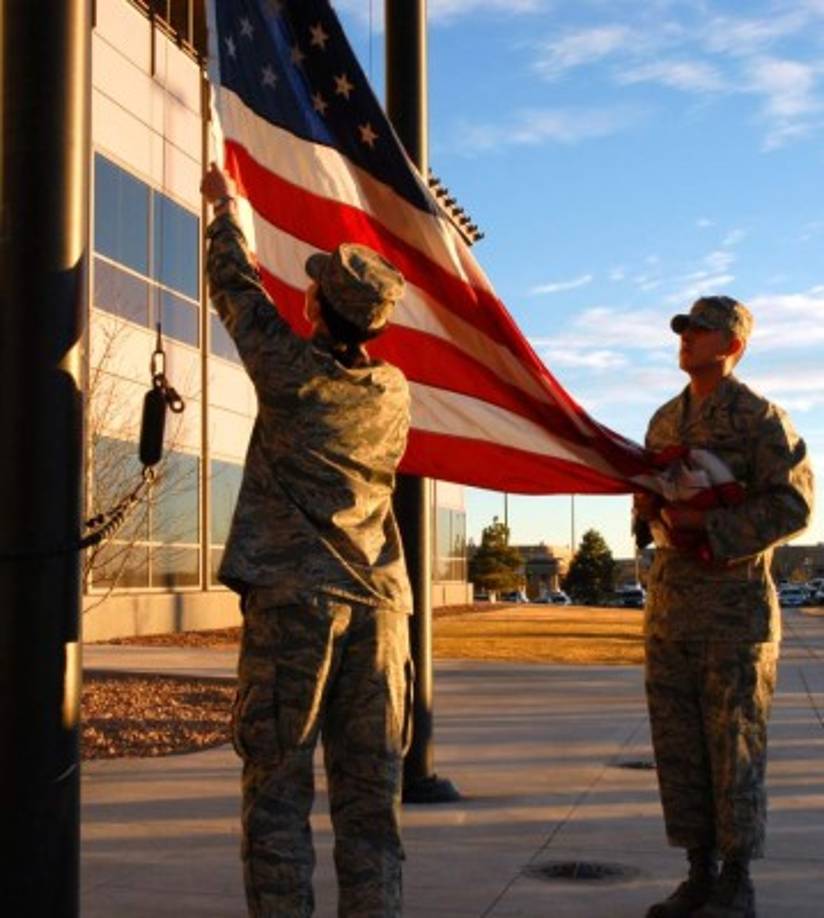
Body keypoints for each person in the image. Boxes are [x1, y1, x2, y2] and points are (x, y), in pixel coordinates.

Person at [201, 162, 414, 917]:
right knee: (370, 807)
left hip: (300, 610)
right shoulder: (393, 393)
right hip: (381, 617)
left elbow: (235, 289)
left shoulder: (292, 372)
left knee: (278, 796)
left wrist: (227, 210)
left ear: (317, 306)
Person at [634, 295, 813, 918]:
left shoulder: (762, 420)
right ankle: (698, 872)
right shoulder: (662, 420)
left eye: (700, 331)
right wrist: (652, 513)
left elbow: (794, 507)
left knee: (733, 748)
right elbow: (644, 492)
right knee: (680, 750)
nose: (686, 338)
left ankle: (737, 881)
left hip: (735, 618)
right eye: (682, 328)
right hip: (670, 611)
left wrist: (709, 526)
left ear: (731, 345)